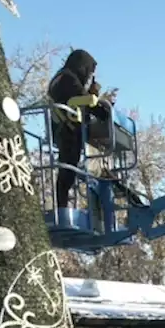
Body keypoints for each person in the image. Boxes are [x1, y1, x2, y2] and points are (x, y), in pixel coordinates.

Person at [46, 49, 117, 209]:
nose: (89, 76)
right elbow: (83, 99)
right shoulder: (67, 78)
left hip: (64, 128)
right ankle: (62, 207)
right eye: (89, 71)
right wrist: (103, 107)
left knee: (68, 170)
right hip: (68, 129)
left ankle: (63, 205)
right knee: (67, 171)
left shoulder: (61, 77)